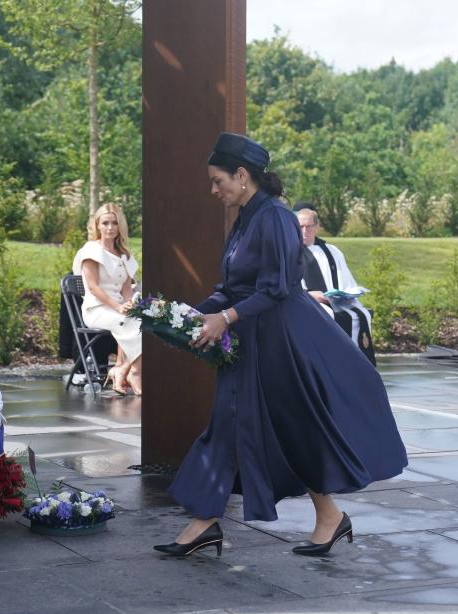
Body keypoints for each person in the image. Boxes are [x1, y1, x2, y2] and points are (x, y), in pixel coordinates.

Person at [155, 133, 407, 558]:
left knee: (290, 426)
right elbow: (232, 287)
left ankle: (321, 518)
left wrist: (226, 318)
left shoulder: (274, 217)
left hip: (282, 341)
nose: (213, 190)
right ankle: (208, 523)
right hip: (255, 340)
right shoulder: (246, 218)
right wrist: (190, 316)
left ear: (241, 175)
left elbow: (274, 289)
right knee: (232, 425)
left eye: (218, 181)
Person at [72, 203, 142, 395]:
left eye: (114, 223)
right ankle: (133, 372)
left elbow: (127, 288)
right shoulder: (91, 250)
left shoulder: (124, 254)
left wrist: (128, 304)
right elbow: (93, 287)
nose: (110, 227)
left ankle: (121, 369)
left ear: (120, 226)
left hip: (118, 308)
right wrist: (118, 306)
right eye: (105, 223)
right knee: (130, 322)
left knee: (142, 319)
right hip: (97, 309)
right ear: (98, 226)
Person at [295, 203, 377, 366]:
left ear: (317, 227)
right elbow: (290, 285)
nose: (305, 231)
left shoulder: (332, 251)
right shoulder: (290, 252)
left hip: (337, 301)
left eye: (309, 226)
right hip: (309, 302)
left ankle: (359, 367)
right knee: (328, 316)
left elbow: (346, 281)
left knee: (360, 314)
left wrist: (346, 294)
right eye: (301, 226)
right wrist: (309, 295)